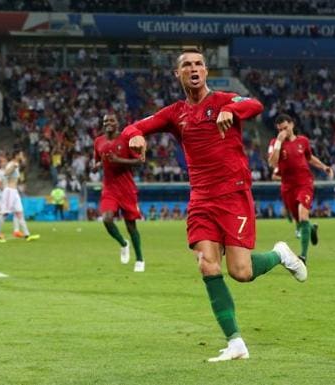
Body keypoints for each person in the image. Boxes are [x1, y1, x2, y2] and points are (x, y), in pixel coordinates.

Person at [121, 48, 307, 362]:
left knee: (241, 272)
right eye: (187, 66)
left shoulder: (223, 100)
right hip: (201, 199)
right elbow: (134, 127)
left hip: (233, 193)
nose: (194, 69)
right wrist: (134, 136)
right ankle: (235, 342)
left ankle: (280, 255)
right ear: (177, 74)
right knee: (207, 263)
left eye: (199, 64)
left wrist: (232, 112)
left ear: (206, 71)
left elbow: (254, 104)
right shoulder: (174, 113)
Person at [267, 113, 334, 262]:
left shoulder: (303, 141)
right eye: (280, 129)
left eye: (285, 128)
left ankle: (303, 255)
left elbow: (309, 158)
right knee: (300, 222)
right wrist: (278, 142)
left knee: (303, 215)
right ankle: (311, 229)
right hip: (288, 186)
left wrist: (324, 167)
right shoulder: (274, 142)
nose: (283, 131)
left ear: (292, 125)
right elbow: (272, 163)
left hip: (304, 183)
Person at [93, 113, 145, 271]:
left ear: (117, 123)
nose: (108, 123)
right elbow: (97, 160)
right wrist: (96, 165)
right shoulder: (98, 141)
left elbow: (139, 161)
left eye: (111, 120)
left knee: (131, 226)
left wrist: (119, 160)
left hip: (127, 188)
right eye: (105, 121)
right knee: (107, 219)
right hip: (109, 188)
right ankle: (123, 243)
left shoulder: (126, 140)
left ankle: (140, 260)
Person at [0, 150, 39, 241]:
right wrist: (14, 167)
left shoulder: (17, 165)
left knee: (20, 213)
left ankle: (27, 235)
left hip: (14, 192)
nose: (23, 156)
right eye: (21, 155)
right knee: (5, 213)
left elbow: (24, 165)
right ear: (16, 155)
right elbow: (6, 174)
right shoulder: (12, 164)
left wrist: (18, 165)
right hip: (9, 191)